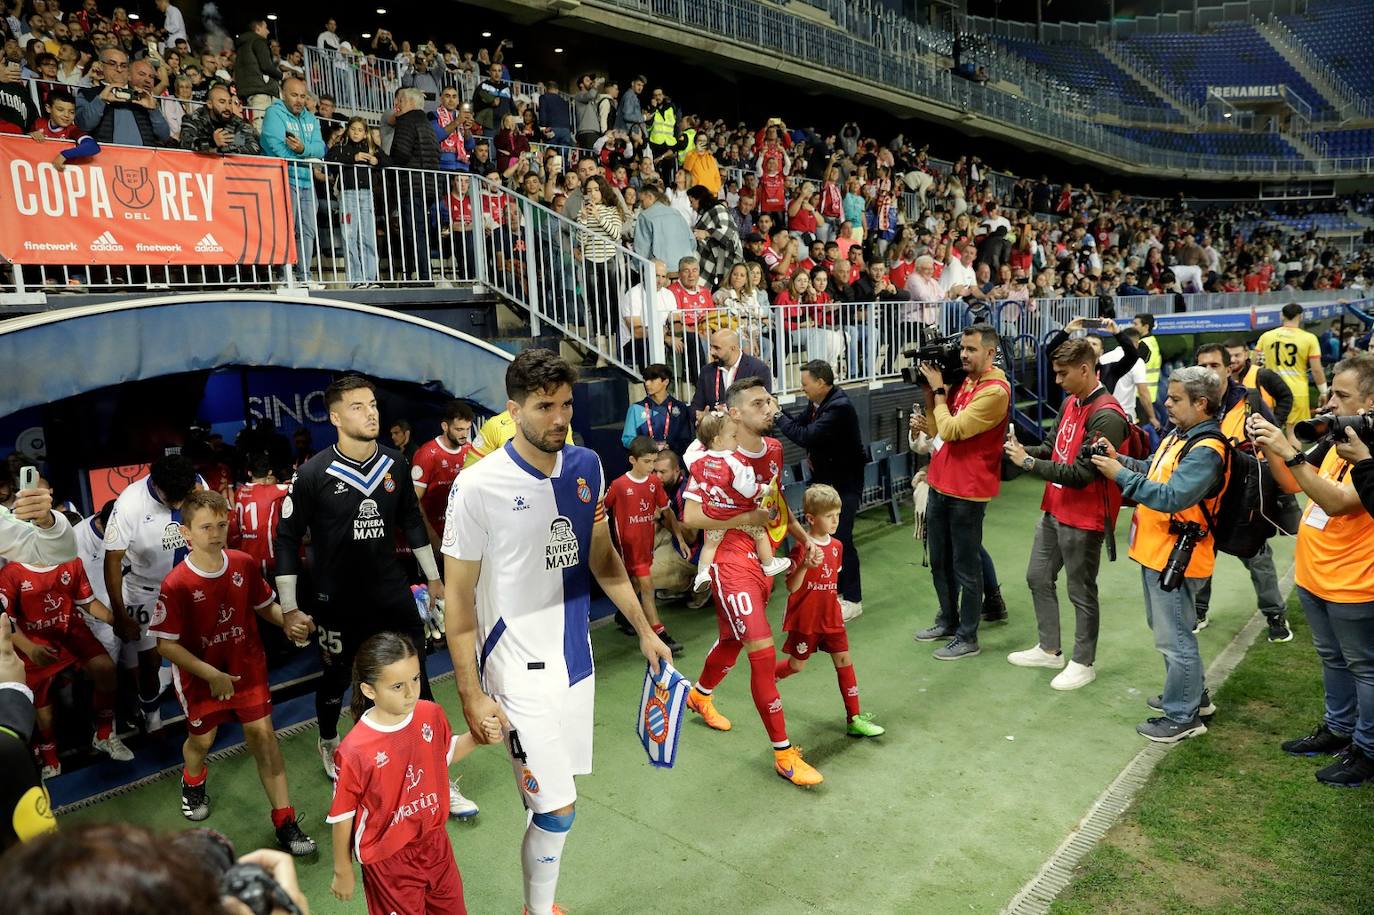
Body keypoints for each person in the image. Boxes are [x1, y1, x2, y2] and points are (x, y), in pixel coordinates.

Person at [441, 349, 673, 915]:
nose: (558, 417)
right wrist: (470, 692)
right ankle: (537, 910)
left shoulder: (587, 466)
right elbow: (458, 601)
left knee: (548, 796)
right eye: (544, 406)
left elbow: (604, 559)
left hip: (577, 661)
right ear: (513, 410)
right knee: (559, 811)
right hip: (516, 671)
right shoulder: (476, 487)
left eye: (566, 404)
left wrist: (645, 629)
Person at [274, 377, 451, 798]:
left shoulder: (394, 463)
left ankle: (432, 768)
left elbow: (411, 520)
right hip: (337, 600)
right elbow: (286, 538)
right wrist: (289, 607)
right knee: (339, 679)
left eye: (372, 405)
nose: (370, 413)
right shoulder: (313, 473)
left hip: (391, 592)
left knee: (418, 678)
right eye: (357, 407)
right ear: (335, 417)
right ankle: (330, 739)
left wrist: (434, 579)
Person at [151, 491, 316, 854]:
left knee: (263, 738)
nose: (215, 533)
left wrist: (289, 622)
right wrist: (210, 673)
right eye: (206, 527)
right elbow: (165, 646)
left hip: (247, 667)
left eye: (222, 524)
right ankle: (193, 779)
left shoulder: (243, 563)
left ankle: (285, 821)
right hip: (200, 677)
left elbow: (265, 606)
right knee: (203, 742)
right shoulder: (176, 584)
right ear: (186, 534)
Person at [683, 377, 826, 787]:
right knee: (761, 652)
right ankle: (784, 755)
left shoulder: (776, 450)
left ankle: (700, 695)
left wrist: (804, 541)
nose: (770, 408)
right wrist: (746, 520)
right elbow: (691, 519)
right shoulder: (711, 458)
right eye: (759, 403)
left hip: (761, 557)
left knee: (732, 640)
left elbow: (774, 506)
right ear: (734, 413)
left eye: (771, 401)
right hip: (728, 558)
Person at [1248, 352, 1374, 786]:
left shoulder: (1368, 449)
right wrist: (1272, 446)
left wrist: (1291, 454)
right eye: (1331, 393)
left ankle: (1367, 751)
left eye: (1342, 395)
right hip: (1315, 573)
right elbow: (1293, 482)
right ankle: (1339, 730)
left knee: (1364, 667)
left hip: (1356, 581)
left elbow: (1339, 503)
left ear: (1371, 400)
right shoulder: (1340, 438)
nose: (1331, 404)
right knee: (1332, 659)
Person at [1091, 366, 1228, 743]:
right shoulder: (1181, 436)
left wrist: (1118, 473)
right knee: (1171, 633)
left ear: (1201, 404)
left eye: (1175, 398)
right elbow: (1153, 471)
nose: (1165, 403)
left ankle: (1182, 716)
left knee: (1175, 638)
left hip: (1178, 557)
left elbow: (1170, 497)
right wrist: (1118, 459)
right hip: (1159, 552)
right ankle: (1192, 698)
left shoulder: (1207, 450)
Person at [329, 632, 500, 913]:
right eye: (397, 686)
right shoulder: (354, 751)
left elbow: (443, 754)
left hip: (435, 844)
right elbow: (342, 816)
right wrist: (342, 869)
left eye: (415, 679)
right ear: (369, 691)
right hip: (388, 860)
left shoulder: (429, 714)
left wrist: (478, 736)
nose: (411, 692)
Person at [1003, 339, 1130, 690]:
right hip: (1055, 508)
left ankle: (1083, 662)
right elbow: (1050, 447)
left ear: (1085, 370)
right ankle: (1049, 648)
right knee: (1037, 576)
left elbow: (1082, 474)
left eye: (1063, 374)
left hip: (1085, 515)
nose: (1057, 381)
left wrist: (1028, 463)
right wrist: (1019, 450)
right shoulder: (1072, 401)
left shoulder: (1107, 414)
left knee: (1081, 590)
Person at [913, 324, 1011, 660]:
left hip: (969, 491)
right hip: (941, 481)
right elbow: (938, 428)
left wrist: (939, 392)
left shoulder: (996, 391)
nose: (963, 355)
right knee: (939, 560)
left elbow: (952, 430)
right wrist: (930, 397)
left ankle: (968, 636)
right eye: (963, 349)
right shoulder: (965, 380)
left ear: (990, 352)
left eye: (971, 350)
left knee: (965, 566)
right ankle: (948, 620)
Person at [1192, 344, 1290, 641]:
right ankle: (1198, 610)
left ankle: (1275, 615)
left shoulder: (1250, 400)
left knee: (1258, 559)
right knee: (1199, 557)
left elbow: (1275, 440)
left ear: (1228, 368)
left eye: (1213, 366)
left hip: (1244, 500)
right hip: (1202, 499)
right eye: (1202, 366)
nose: (1208, 372)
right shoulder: (1192, 402)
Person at [0, 553, 128, 776]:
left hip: (70, 632)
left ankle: (104, 734)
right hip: (32, 642)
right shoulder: (11, 573)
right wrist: (30, 648)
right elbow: (5, 621)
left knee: (105, 668)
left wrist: (115, 620)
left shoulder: (70, 560)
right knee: (44, 713)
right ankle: (51, 760)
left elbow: (86, 601)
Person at [774, 483, 885, 737]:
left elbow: (831, 583)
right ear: (811, 518)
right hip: (806, 620)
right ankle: (767, 680)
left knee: (844, 660)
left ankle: (854, 719)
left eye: (838, 514)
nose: (836, 521)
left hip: (831, 617)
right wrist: (804, 565)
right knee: (796, 666)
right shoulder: (801, 546)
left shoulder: (837, 546)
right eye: (829, 516)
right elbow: (792, 587)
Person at [103, 455, 201, 732]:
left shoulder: (196, 486)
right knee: (148, 660)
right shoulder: (128, 505)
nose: (180, 505)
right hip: (145, 590)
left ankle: (201, 708)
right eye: (173, 499)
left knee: (199, 647)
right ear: (155, 485)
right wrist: (120, 614)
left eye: (184, 497)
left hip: (188, 585)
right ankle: (152, 717)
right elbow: (112, 561)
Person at [773, 360, 866, 620]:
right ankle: (832, 594)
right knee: (826, 540)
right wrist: (777, 412)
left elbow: (806, 436)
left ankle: (853, 600)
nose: (802, 388)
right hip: (827, 482)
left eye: (805, 384)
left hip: (844, 485)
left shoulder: (839, 407)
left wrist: (778, 416)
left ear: (821, 383)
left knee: (843, 541)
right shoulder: (818, 403)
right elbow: (799, 425)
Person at [687, 409, 793, 597]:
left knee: (710, 544)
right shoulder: (734, 462)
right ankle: (769, 564)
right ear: (719, 441)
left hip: (714, 512)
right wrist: (764, 489)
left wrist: (704, 434)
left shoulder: (696, 459)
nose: (737, 440)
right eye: (734, 436)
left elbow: (689, 452)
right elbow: (748, 489)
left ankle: (702, 573)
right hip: (736, 512)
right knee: (760, 534)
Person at [605, 437, 688, 656]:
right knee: (647, 587)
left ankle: (624, 616)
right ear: (632, 460)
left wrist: (679, 538)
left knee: (635, 584)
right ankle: (660, 634)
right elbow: (601, 512)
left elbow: (667, 511)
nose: (651, 467)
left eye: (653, 462)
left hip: (646, 546)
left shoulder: (654, 484)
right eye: (647, 462)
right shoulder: (619, 485)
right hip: (627, 549)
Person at [259, 77, 325, 287]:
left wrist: (302, 150)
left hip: (306, 181)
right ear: (283, 94)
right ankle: (283, 273)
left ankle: (304, 275)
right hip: (283, 179)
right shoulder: (274, 113)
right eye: (294, 95)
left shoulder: (311, 118)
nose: (298, 100)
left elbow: (321, 148)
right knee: (287, 228)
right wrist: (306, 155)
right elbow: (275, 146)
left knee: (308, 230)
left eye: (302, 96)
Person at [388, 87, 442, 283]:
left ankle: (421, 275)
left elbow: (401, 154)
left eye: (399, 101)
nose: (397, 106)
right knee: (420, 231)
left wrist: (383, 160)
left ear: (409, 102)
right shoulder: (427, 124)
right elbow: (436, 154)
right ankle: (423, 274)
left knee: (413, 232)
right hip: (427, 186)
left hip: (411, 186)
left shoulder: (407, 121)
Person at [328, 115, 388, 287]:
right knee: (350, 236)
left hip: (366, 195)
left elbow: (388, 160)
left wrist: (376, 161)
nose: (356, 132)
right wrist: (352, 158)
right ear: (348, 129)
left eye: (360, 130)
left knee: (368, 236)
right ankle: (355, 279)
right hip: (348, 195)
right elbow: (329, 158)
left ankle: (371, 278)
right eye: (353, 129)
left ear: (365, 132)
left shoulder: (370, 146)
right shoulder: (341, 146)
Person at [1256, 302, 1327, 446]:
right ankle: (1292, 465)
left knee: (1266, 428)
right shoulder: (1309, 338)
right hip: (1296, 390)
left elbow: (1254, 364)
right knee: (1293, 431)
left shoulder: (1266, 336)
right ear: (1300, 317)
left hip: (1269, 389)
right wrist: (1324, 391)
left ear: (1281, 315)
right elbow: (1316, 369)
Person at [411, 400, 475, 556]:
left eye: (467, 429)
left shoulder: (470, 450)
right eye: (459, 429)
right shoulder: (426, 454)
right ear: (445, 427)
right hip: (436, 536)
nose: (464, 434)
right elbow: (414, 500)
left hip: (463, 536)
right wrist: (432, 537)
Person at [75, 46, 169, 146]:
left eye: (123, 66)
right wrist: (100, 100)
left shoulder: (142, 96)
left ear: (128, 71)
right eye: (112, 64)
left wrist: (153, 111)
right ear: (101, 66)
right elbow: (83, 125)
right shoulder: (87, 93)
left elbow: (164, 136)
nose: (119, 69)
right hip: (105, 158)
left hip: (143, 158)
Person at [230, 453, 289, 581]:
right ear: (269, 472)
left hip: (245, 552)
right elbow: (296, 488)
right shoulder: (273, 490)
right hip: (265, 554)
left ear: (249, 472)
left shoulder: (239, 491)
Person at [690, 327, 772, 414]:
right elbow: (696, 405)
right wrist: (700, 416)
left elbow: (762, 406)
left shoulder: (758, 369)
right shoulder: (707, 371)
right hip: (716, 426)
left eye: (717, 348)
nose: (711, 352)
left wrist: (731, 413)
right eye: (711, 347)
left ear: (733, 348)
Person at [621, 363, 693, 459]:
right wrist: (648, 448)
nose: (647, 383)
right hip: (645, 462)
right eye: (646, 380)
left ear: (665, 382)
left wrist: (670, 447)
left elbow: (686, 439)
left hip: (672, 462)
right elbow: (627, 440)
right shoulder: (636, 408)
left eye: (652, 380)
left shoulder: (680, 407)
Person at [1224, 338, 1293, 428]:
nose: (1232, 360)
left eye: (1237, 355)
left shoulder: (1262, 375)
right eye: (1229, 356)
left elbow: (1286, 397)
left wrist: (1276, 422)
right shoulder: (1221, 378)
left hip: (1262, 432)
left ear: (1246, 354)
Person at [178, 82, 258, 155]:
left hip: (226, 169)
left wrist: (221, 151)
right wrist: (212, 142)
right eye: (222, 102)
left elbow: (252, 147)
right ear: (209, 104)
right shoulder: (194, 119)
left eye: (230, 102)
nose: (228, 107)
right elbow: (185, 143)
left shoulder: (237, 124)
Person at [634, 183, 695, 273]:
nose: (641, 206)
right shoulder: (676, 212)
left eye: (642, 201)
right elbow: (692, 241)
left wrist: (638, 269)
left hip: (660, 272)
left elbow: (641, 250)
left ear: (650, 196)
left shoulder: (644, 216)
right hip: (685, 269)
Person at [232, 19, 280, 127]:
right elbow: (266, 66)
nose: (268, 31)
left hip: (248, 90)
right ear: (258, 28)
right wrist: (281, 75)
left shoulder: (242, 46)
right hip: (261, 90)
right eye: (266, 28)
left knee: (256, 121)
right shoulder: (258, 41)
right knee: (264, 123)